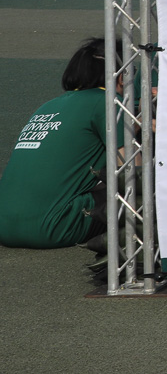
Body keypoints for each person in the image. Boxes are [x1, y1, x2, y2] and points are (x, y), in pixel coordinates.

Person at [0, 38, 109, 249]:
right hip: (53, 227)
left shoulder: (48, 106)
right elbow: (133, 169)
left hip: (4, 227)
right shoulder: (106, 102)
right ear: (120, 75)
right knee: (140, 188)